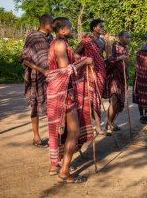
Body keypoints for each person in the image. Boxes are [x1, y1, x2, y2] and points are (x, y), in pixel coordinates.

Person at [46, 17, 93, 183]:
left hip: (63, 92)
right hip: (63, 93)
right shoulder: (59, 44)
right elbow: (65, 70)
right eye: (70, 26)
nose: (72, 28)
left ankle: (59, 165)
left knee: (67, 131)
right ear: (62, 30)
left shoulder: (61, 43)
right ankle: (64, 172)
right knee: (74, 131)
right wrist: (84, 62)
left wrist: (81, 59)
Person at [20, 14, 54, 148]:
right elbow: (24, 59)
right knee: (35, 106)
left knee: (52, 105)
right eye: (52, 22)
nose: (54, 25)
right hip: (36, 76)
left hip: (50, 76)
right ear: (45, 23)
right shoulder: (33, 37)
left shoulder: (51, 37)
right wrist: (41, 70)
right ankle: (36, 136)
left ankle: (53, 137)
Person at [75, 19, 109, 135]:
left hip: (100, 71)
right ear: (94, 28)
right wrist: (85, 60)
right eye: (101, 26)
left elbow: (108, 55)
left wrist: (108, 39)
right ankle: (86, 126)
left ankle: (98, 126)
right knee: (89, 99)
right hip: (89, 72)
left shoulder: (103, 41)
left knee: (97, 99)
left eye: (103, 26)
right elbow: (75, 54)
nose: (103, 28)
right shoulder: (86, 40)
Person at [104, 31, 131, 135]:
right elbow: (109, 60)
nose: (129, 39)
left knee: (120, 103)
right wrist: (120, 58)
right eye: (127, 37)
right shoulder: (115, 46)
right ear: (120, 37)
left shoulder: (125, 48)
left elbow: (126, 64)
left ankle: (112, 122)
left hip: (123, 78)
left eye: (130, 37)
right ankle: (108, 125)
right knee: (114, 101)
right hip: (114, 78)